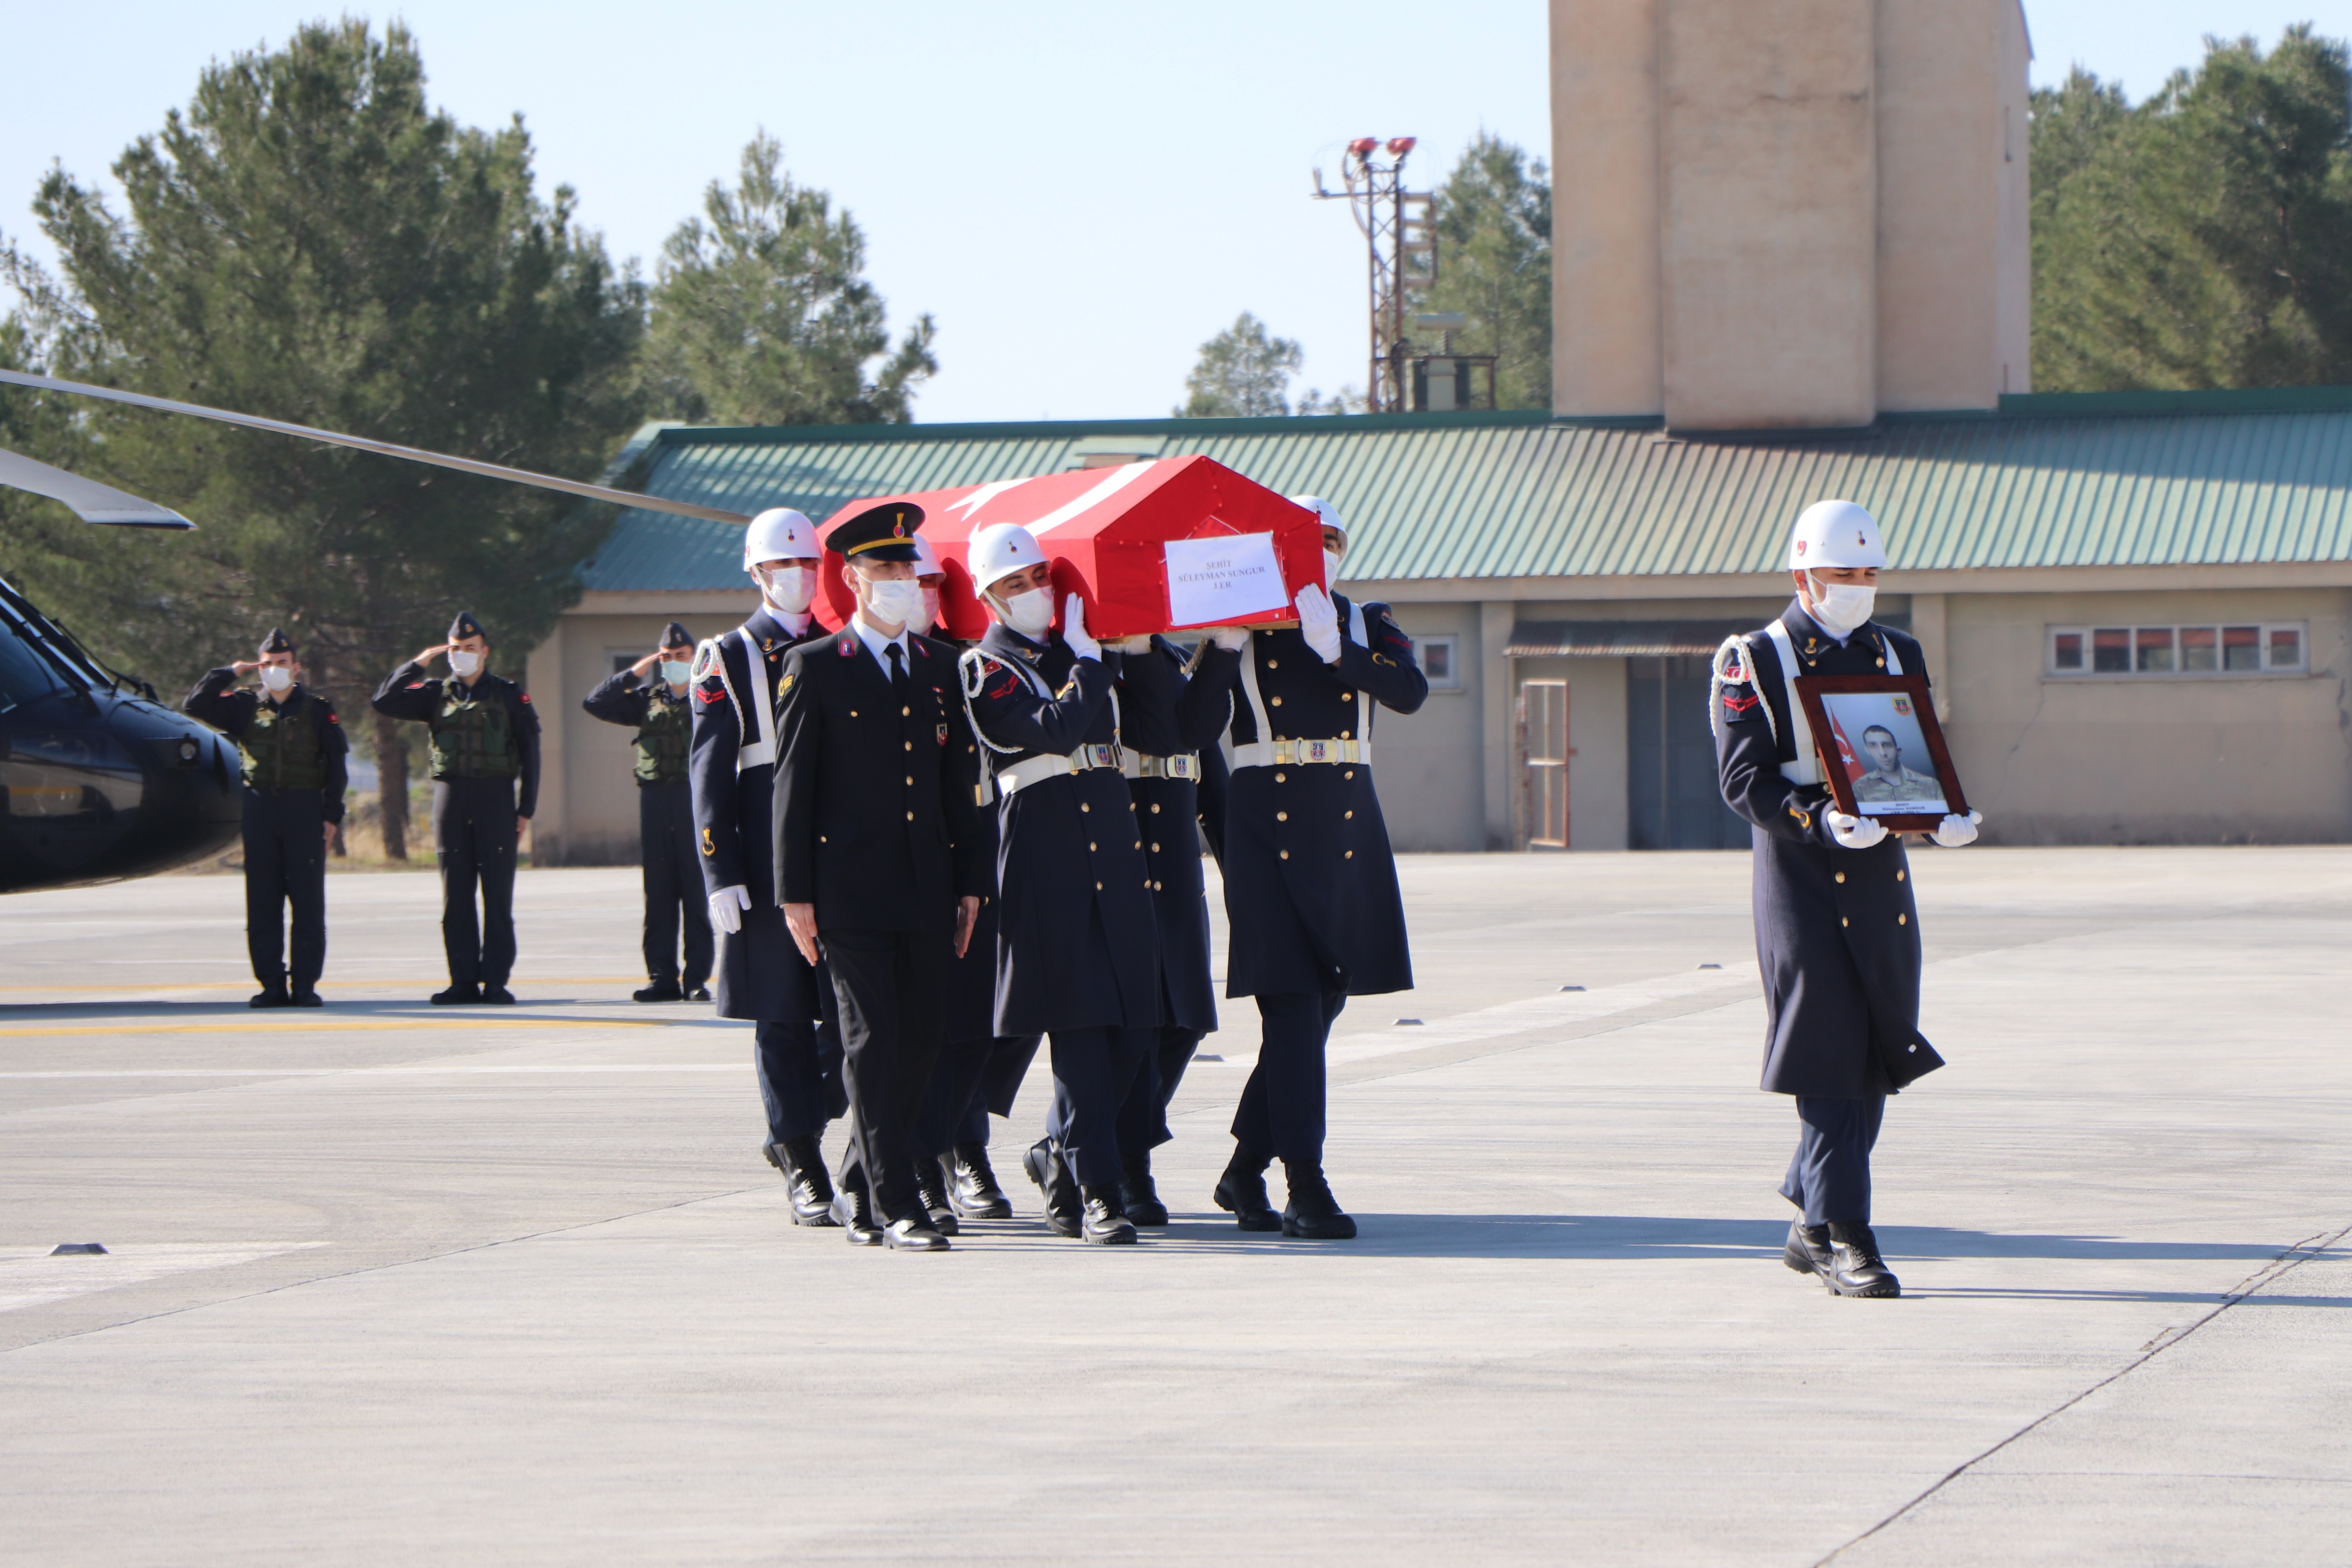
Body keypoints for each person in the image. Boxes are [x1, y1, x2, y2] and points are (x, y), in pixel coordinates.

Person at [1710, 498, 1982, 1299]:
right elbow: (1743, 778)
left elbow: (1915, 750)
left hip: (1880, 872)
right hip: (1800, 872)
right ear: (1803, 573)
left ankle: (1811, 1212)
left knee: (1875, 1050)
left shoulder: (1897, 649)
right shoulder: (1753, 657)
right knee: (1827, 1049)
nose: (1858, 587)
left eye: (1868, 573)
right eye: (1842, 574)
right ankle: (1844, 1235)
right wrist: (1819, 818)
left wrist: (1942, 816)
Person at [1208, 495, 1428, 1240]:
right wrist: (1219, 644)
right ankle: (1305, 1184)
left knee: (1320, 1007)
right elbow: (1185, 726)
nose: (1321, 551)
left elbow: (1409, 693)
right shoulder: (1239, 629)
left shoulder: (1366, 620)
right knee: (1295, 1006)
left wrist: (1339, 649)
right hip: (1264, 823)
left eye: (1331, 540)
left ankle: (1244, 1168)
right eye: (1306, 540)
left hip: (1345, 820)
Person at [771, 501, 984, 1252]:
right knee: (872, 1040)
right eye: (885, 569)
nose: (900, 581)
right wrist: (794, 892)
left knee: (924, 1038)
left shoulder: (938, 669)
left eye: (908, 570)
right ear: (852, 578)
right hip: (848, 889)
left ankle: (861, 1183)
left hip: (928, 884)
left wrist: (972, 882)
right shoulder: (817, 666)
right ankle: (894, 1203)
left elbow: (958, 782)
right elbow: (792, 788)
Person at [958, 521, 1168, 1245]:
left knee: (1134, 1023)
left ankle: (1060, 1158)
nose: (1034, 593)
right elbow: (1056, 729)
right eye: (1015, 584)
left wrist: (1113, 652)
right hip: (1044, 851)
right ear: (989, 595)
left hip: (1111, 846)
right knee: (1079, 1024)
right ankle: (1098, 1189)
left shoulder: (1084, 652)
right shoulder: (987, 669)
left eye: (1040, 577)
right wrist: (1087, 665)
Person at [690, 507, 843, 1226]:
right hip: (765, 859)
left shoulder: (842, 647)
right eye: (784, 567)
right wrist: (720, 873)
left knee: (852, 1023)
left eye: (808, 565)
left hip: (838, 855)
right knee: (783, 1019)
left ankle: (796, 1127)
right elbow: (710, 774)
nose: (799, 578)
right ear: (755, 574)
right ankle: (802, 1158)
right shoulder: (726, 656)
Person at [904, 535, 1038, 1227]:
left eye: (932, 581)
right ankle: (922, 1164)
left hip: (978, 852)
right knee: (920, 1028)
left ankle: (963, 1147)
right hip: (904, 865)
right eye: (907, 578)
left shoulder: (968, 665)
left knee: (981, 1023)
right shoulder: (864, 666)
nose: (921, 592)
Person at [1105, 632, 1241, 1224]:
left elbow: (1201, 761)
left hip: (1176, 869)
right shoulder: (1091, 664)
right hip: (1115, 866)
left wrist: (1245, 877)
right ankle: (1123, 1161)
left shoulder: (1174, 662)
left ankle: (1089, 1146)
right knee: (1129, 1029)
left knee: (1184, 1022)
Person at [371, 612, 539, 1005]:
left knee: (497, 897)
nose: (463, 655)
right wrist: (420, 660)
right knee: (456, 897)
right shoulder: (434, 693)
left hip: (496, 799)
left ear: (485, 652)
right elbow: (385, 700)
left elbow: (531, 754)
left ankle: (495, 981)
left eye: (470, 648)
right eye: (456, 649)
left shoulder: (509, 695)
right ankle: (462, 980)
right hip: (451, 800)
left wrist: (525, 808)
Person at [185, 628, 349, 1008]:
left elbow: (336, 768)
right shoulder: (243, 706)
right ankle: (271, 984)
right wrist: (230, 671)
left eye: (282, 663)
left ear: (297, 668)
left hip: (304, 809)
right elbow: (196, 704)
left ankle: (305, 984)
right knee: (262, 901)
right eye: (268, 664)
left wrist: (332, 814)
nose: (275, 669)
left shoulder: (319, 710)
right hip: (259, 808)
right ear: (260, 669)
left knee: (307, 901)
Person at [581, 622, 712, 1003]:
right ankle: (662, 978)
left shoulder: (709, 698)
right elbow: (596, 703)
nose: (674, 663)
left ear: (695, 659)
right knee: (658, 894)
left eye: (681, 657)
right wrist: (635, 671)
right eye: (667, 658)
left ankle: (697, 979)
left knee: (695, 892)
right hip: (655, 802)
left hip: (694, 801)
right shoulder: (646, 699)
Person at [1853, 724, 1944, 804]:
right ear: (1868, 751)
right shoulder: (1860, 788)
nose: (1882, 753)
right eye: (1873, 746)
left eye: (1887, 745)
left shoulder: (1931, 785)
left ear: (1898, 751)